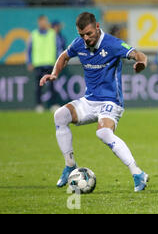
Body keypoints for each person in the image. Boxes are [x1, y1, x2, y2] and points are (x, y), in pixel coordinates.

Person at [39, 12, 149, 192]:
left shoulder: (112, 44)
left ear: (97, 27)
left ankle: (138, 173)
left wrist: (142, 63)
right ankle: (70, 166)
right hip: (89, 101)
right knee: (60, 116)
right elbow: (64, 56)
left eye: (89, 33)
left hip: (111, 101)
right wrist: (54, 74)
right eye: (82, 35)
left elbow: (137, 53)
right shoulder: (79, 44)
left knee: (103, 133)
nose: (86, 38)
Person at [27, 15, 58, 112]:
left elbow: (59, 48)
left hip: (50, 63)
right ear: (38, 23)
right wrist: (29, 62)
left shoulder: (53, 34)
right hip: (38, 64)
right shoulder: (34, 35)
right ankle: (39, 105)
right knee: (38, 87)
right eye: (41, 22)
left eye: (44, 21)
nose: (43, 23)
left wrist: (58, 62)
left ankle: (53, 104)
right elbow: (29, 50)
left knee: (52, 86)